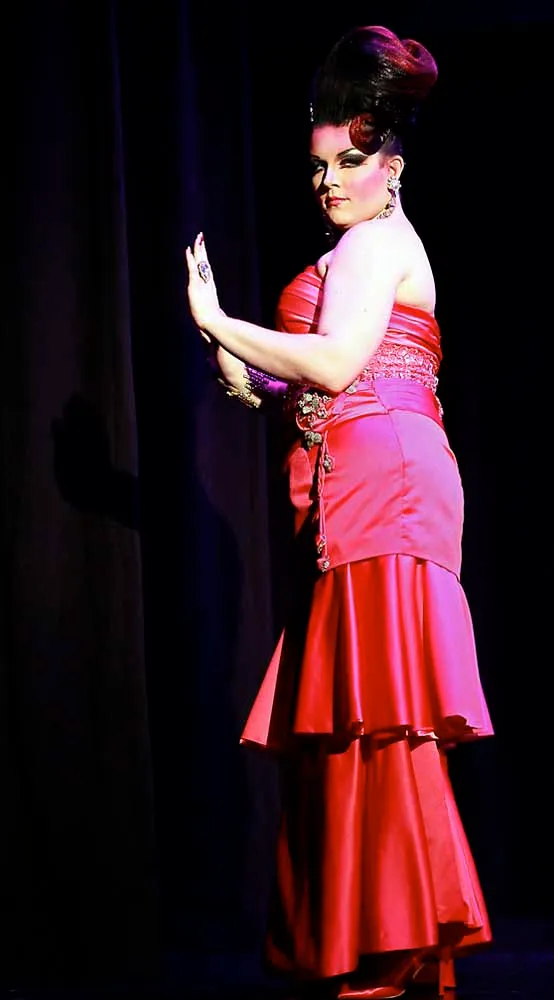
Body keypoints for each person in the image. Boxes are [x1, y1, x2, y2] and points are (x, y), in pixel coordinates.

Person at [185, 24, 494, 1000]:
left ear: (390, 166)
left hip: (384, 486)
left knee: (376, 719)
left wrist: (220, 320)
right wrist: (246, 371)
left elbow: (334, 364)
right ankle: (381, 941)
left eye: (348, 164)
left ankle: (386, 950)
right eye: (318, 166)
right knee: (365, 722)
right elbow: (324, 381)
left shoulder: (374, 242)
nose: (328, 182)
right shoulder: (370, 247)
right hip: (363, 482)